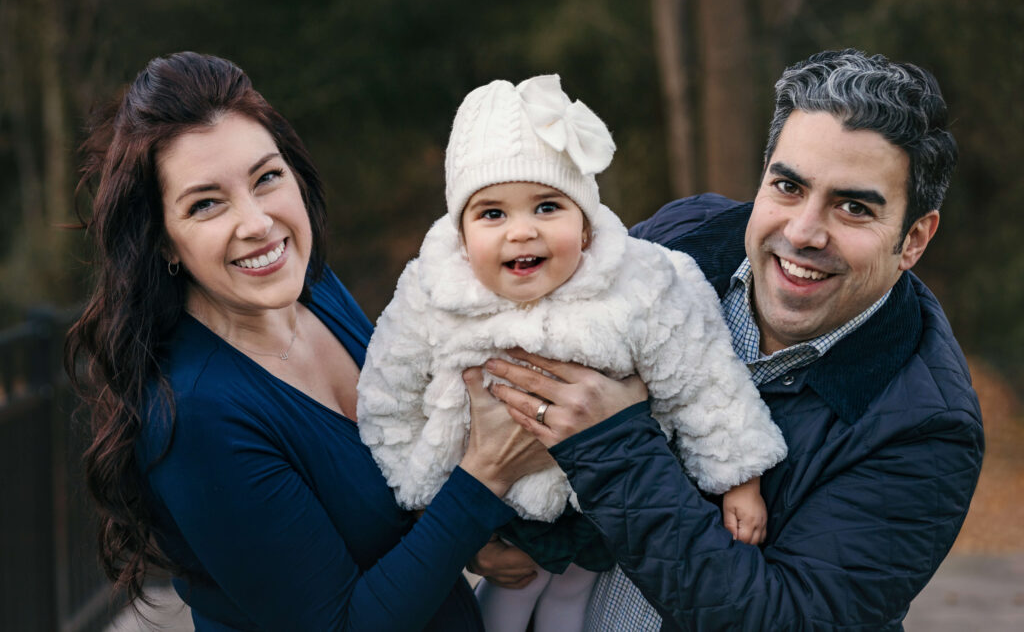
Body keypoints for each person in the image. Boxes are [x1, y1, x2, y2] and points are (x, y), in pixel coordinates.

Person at [474, 49, 986, 630]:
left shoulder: (924, 427)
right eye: (788, 187)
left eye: (852, 207)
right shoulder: (680, 241)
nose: (802, 232)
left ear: (914, 239)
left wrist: (614, 445)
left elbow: (784, 619)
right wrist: (472, 525)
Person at [64, 51, 555, 631]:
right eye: (206, 204)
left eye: (266, 178)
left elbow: (393, 489)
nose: (257, 223)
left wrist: (468, 536)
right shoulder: (197, 416)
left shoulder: (312, 287)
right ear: (166, 243)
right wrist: (484, 482)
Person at [355, 74, 787, 632]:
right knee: (511, 591)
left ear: (584, 226)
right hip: (494, 503)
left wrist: (740, 479)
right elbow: (390, 394)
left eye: (547, 206)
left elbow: (703, 378)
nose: (521, 232)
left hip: (599, 503)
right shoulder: (433, 294)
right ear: (460, 234)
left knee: (574, 592)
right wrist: (424, 503)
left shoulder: (642, 283)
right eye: (492, 214)